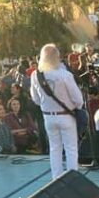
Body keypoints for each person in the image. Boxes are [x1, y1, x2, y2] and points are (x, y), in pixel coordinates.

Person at [30, 43, 84, 178]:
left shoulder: (36, 75)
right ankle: (73, 178)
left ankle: (56, 178)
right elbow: (78, 100)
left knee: (54, 149)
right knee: (71, 148)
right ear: (57, 57)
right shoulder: (64, 75)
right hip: (66, 116)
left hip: (48, 117)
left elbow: (35, 99)